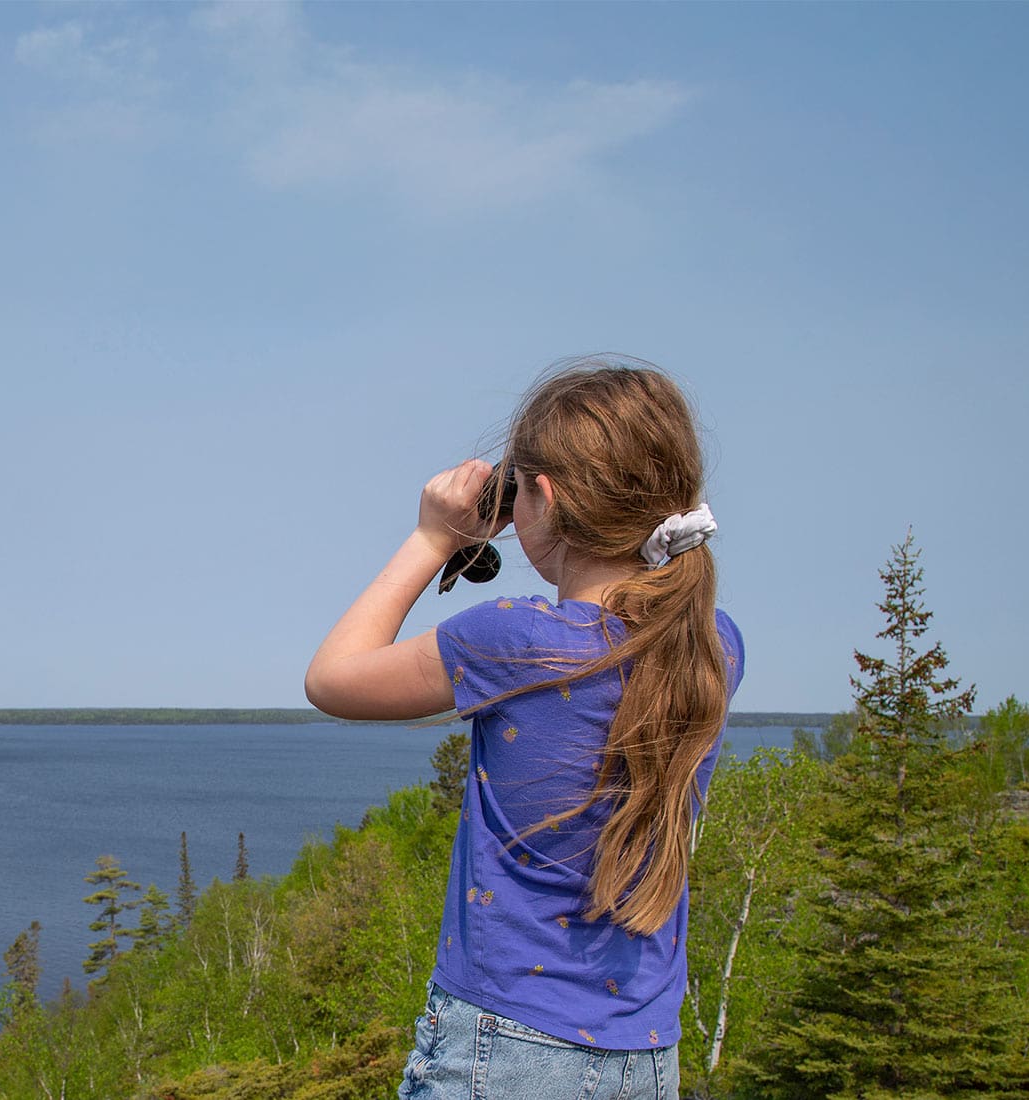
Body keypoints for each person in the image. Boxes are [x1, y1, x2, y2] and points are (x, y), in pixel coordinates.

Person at [301, 357, 741, 1099]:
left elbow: (332, 678)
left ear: (542, 496)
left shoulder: (517, 639)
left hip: (504, 1047)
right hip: (647, 1054)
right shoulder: (713, 644)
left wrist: (434, 538)